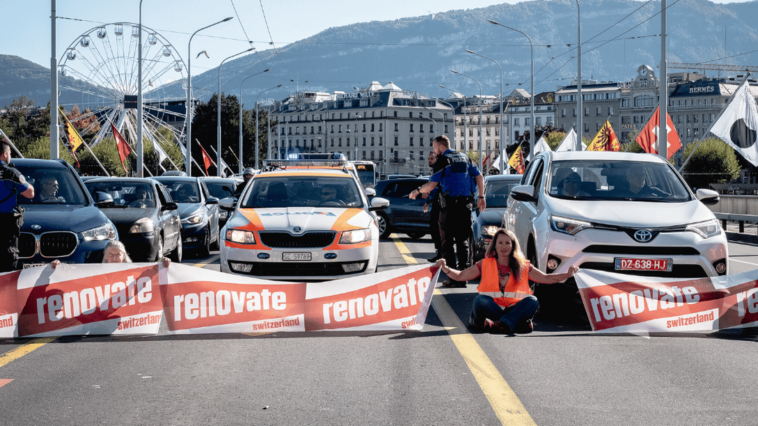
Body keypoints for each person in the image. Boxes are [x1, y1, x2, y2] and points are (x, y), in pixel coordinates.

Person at [436, 228, 578, 334]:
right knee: (480, 301)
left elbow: (546, 278)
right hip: (490, 309)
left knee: (533, 301)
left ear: (512, 246)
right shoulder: (485, 264)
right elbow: (460, 276)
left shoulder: (523, 265)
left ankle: (501, 324)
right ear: (495, 246)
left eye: (507, 243)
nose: (504, 246)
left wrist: (567, 274)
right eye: (500, 243)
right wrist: (445, 268)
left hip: (513, 308)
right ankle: (513, 323)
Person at [410, 135, 485, 288]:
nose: (434, 151)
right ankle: (463, 276)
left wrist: (417, 191)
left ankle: (453, 278)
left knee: (447, 242)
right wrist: (481, 197)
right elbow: (480, 177)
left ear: (441, 147)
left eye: (434, 148)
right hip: (465, 206)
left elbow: (432, 185)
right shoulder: (466, 158)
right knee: (464, 241)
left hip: (449, 207)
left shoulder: (443, 161)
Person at [0, 139, 34, 272]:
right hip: (6, 223)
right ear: (4, 154)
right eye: (9, 154)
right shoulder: (11, 173)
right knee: (9, 258)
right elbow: (30, 193)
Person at [51, 240, 171, 268]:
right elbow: (74, 275)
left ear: (124, 256)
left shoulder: (132, 270)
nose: (114, 258)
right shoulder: (95, 271)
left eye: (117, 254)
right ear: (104, 256)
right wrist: (60, 266)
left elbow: (150, 271)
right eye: (110, 254)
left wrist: (163, 263)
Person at [422, 151, 441, 263]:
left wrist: (428, 194)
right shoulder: (434, 171)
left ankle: (441, 255)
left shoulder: (438, 171)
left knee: (437, 230)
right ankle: (439, 253)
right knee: (434, 230)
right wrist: (428, 201)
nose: (429, 161)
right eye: (429, 159)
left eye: (431, 159)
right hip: (435, 203)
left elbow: (436, 188)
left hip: (440, 204)